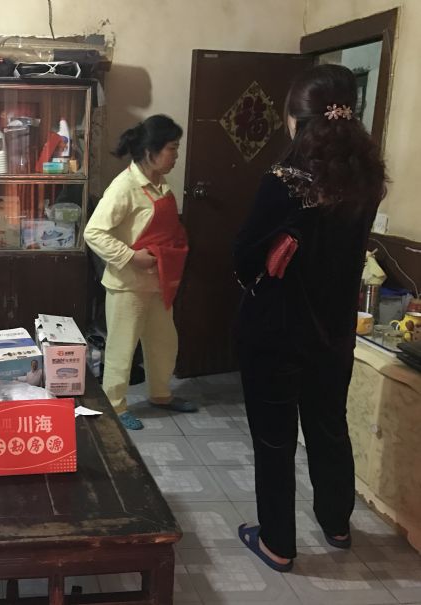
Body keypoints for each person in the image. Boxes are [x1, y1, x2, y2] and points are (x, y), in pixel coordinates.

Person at [234, 64, 386, 571]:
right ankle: (337, 523)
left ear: (297, 120)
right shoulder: (366, 185)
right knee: (329, 426)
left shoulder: (284, 181)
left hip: (276, 331)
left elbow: (244, 257)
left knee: (274, 439)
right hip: (334, 330)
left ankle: (277, 543)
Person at [84, 115, 197, 431]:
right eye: (172, 148)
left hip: (158, 282)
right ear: (150, 151)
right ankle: (115, 405)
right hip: (128, 285)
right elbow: (94, 233)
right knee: (122, 348)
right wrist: (131, 256)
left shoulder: (160, 184)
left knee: (164, 342)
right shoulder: (124, 187)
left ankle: (160, 394)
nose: (176, 155)